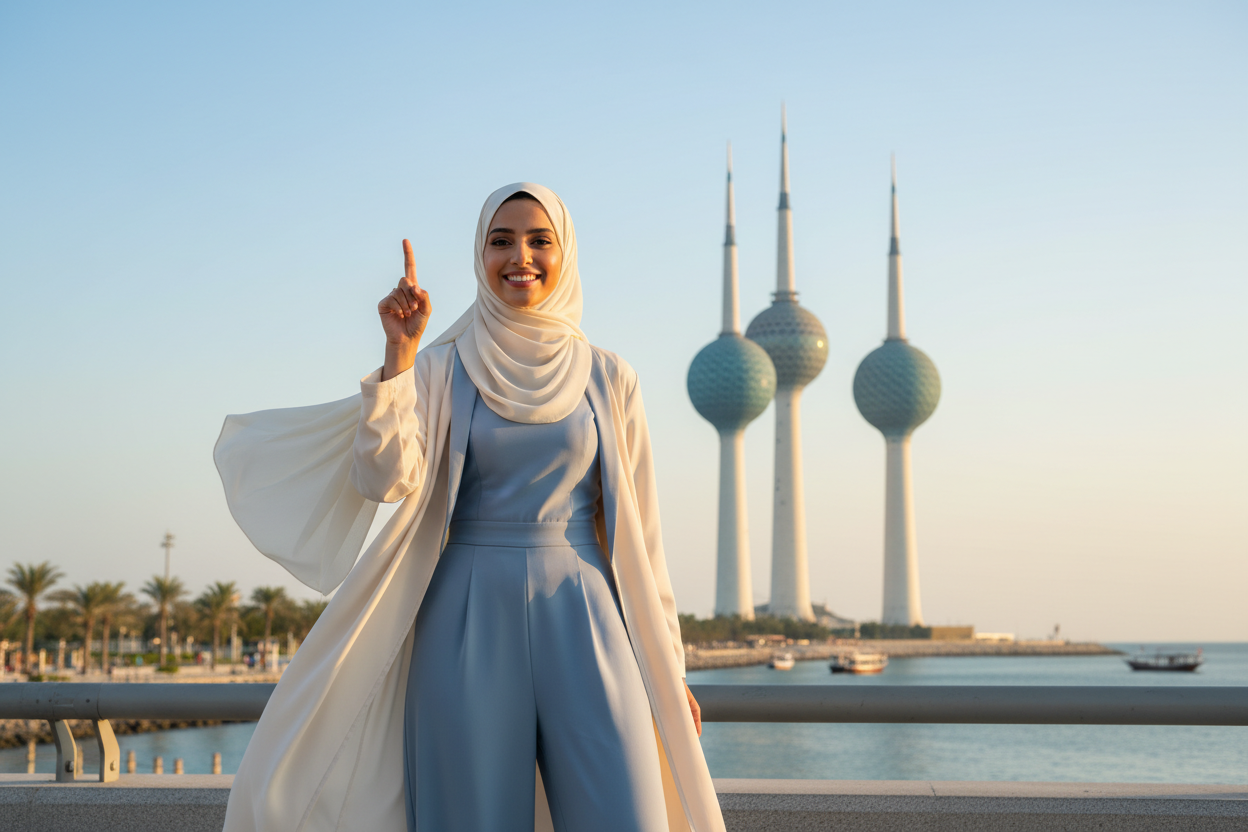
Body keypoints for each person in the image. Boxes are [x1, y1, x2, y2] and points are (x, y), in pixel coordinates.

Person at [214, 183, 725, 832]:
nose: (522, 256)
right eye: (501, 240)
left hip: (589, 613)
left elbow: (645, 540)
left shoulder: (609, 375)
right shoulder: (439, 367)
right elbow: (383, 480)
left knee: (629, 814)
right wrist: (399, 353)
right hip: (463, 617)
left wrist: (669, 667)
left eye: (541, 241)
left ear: (566, 253)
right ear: (479, 254)